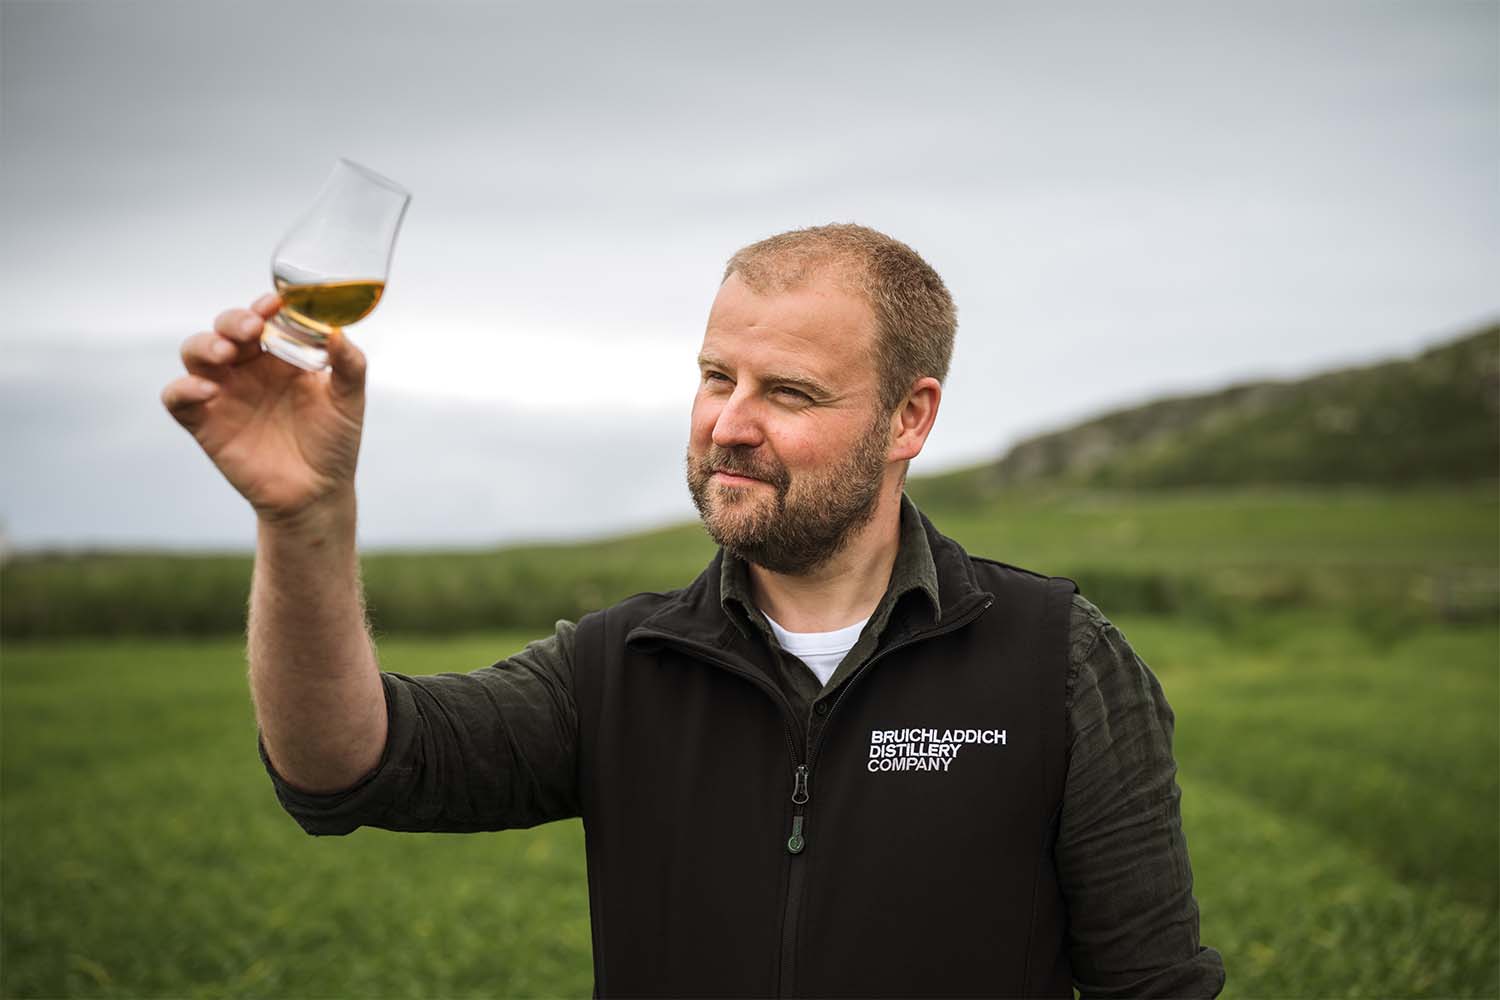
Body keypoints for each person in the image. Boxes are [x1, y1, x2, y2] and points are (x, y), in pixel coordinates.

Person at [162, 223, 1225, 997]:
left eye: (789, 392)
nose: (730, 423)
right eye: (718, 377)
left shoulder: (1056, 659)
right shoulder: (622, 665)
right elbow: (348, 764)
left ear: (910, 418)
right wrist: (303, 519)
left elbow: (1152, 986)